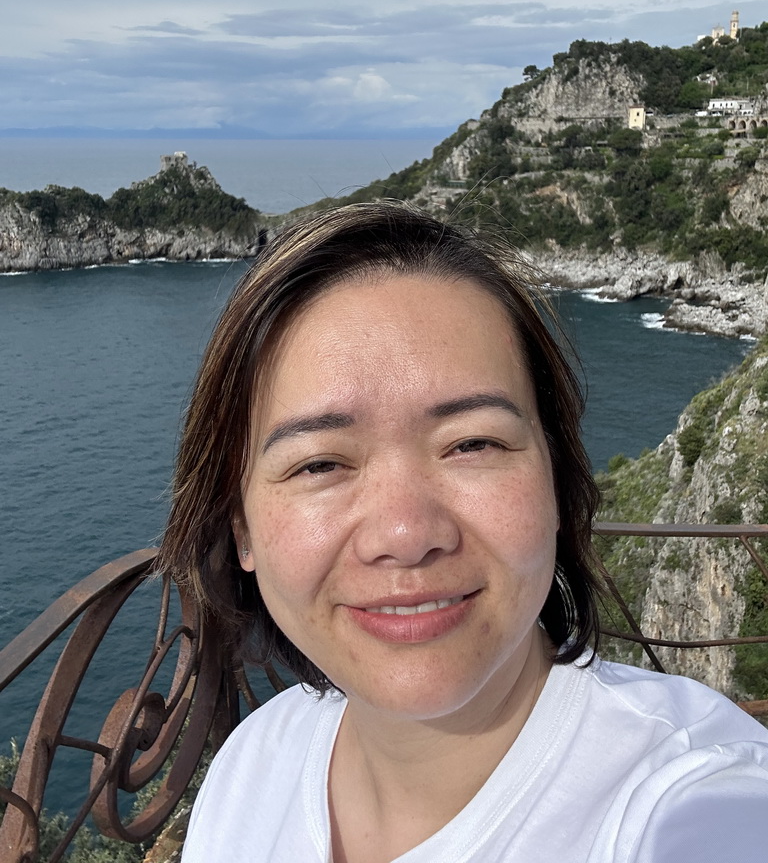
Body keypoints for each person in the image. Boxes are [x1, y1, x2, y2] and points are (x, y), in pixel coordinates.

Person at [157, 201, 768, 863]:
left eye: (472, 444)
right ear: (241, 528)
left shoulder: (697, 803)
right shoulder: (251, 769)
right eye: (321, 463)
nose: (407, 532)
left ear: (558, 479)